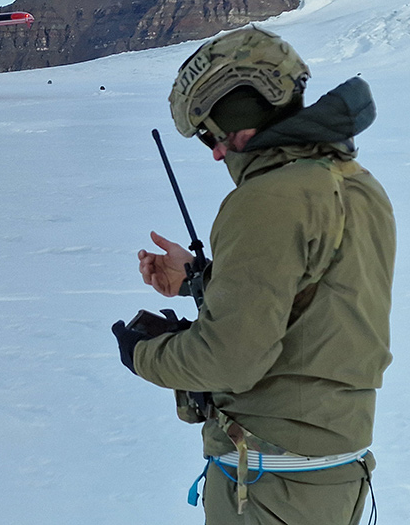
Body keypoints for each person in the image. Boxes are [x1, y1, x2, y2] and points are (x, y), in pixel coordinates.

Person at [112, 26, 395, 524]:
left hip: (269, 487)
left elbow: (228, 360)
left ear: (245, 110)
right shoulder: (357, 186)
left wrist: (143, 355)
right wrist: (200, 277)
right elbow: (314, 300)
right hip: (334, 478)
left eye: (214, 132)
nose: (217, 152)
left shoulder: (265, 200)